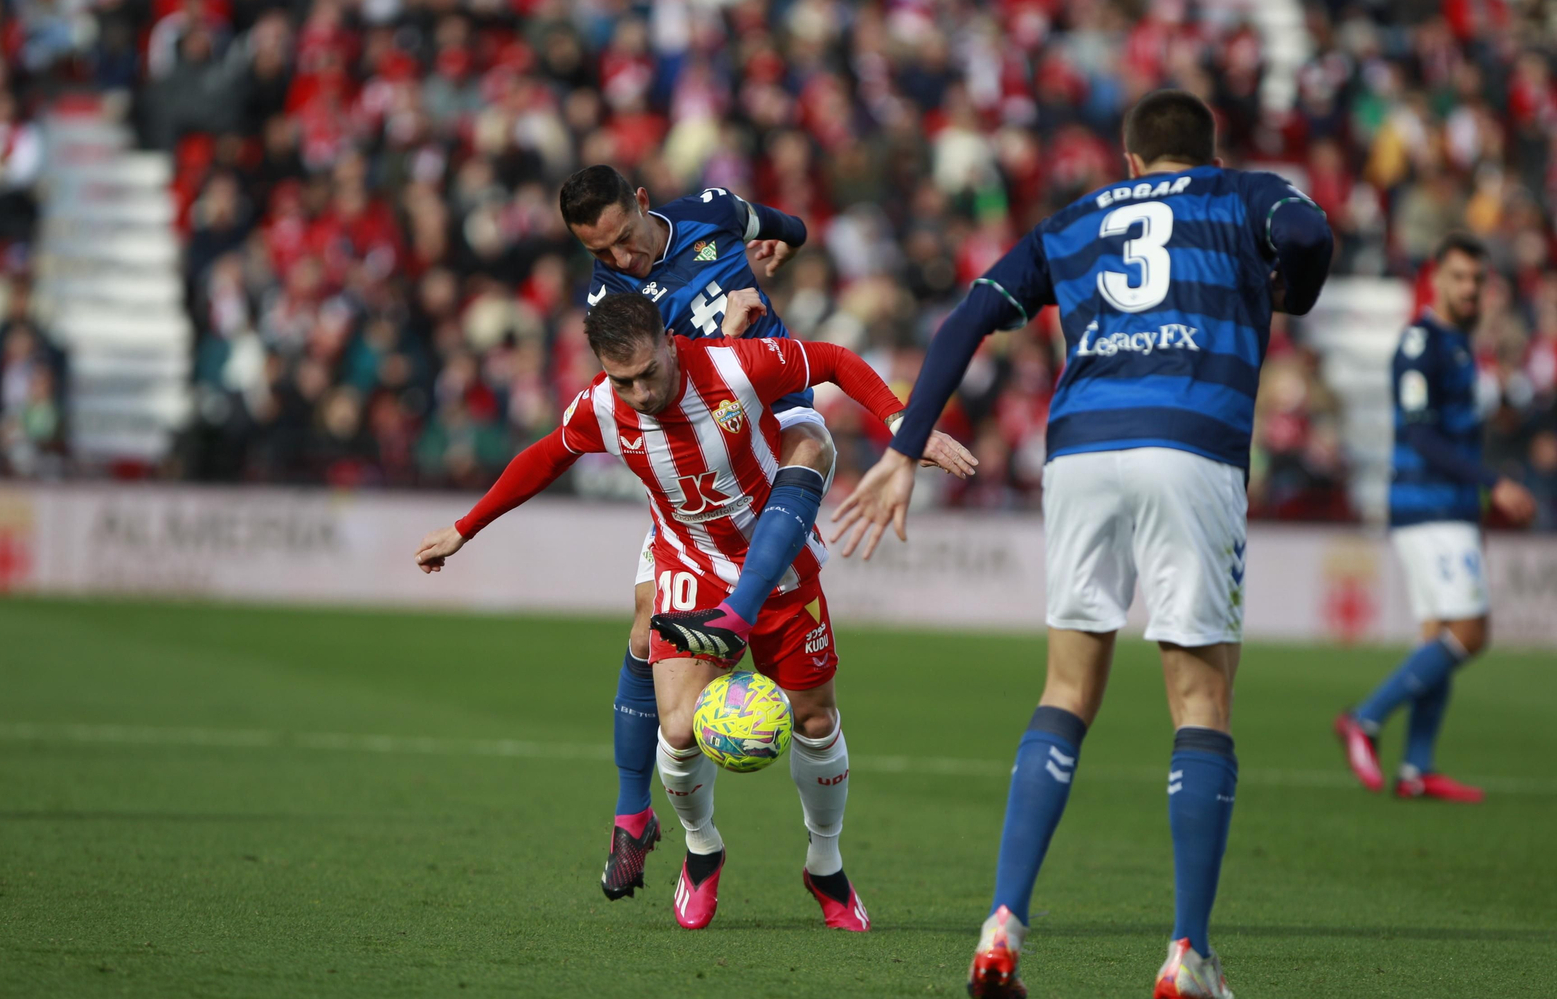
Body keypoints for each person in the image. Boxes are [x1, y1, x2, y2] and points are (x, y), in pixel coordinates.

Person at [830, 90, 1334, 999]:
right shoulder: (1243, 194)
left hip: (1083, 453)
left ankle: (1002, 926)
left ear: (1133, 161)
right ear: (1204, 154)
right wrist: (1290, 292)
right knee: (1200, 698)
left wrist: (904, 448)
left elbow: (964, 321)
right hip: (1191, 443)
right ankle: (1188, 953)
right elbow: (1305, 232)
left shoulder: (1076, 219)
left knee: (1066, 688)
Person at [412, 292, 971, 931]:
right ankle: (702, 850)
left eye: (649, 372)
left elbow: (837, 361)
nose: (641, 392)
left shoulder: (734, 368)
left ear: (671, 344)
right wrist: (466, 527)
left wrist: (903, 425)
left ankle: (825, 863)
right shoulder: (601, 406)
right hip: (692, 570)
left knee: (816, 722)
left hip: (779, 563)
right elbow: (544, 457)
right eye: (624, 380)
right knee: (677, 733)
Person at [557, 164, 976, 901]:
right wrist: (720, 340)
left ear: (644, 206)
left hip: (777, 415)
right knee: (642, 625)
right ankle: (634, 815)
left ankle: (740, 626)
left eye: (625, 239)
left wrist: (770, 253)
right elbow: (656, 376)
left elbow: (793, 229)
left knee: (809, 445)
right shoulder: (610, 296)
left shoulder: (713, 210)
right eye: (601, 251)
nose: (620, 260)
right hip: (704, 450)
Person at [1334, 234, 1537, 801]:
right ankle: (1365, 719)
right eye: (1459, 277)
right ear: (1437, 279)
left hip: (1449, 509)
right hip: (1426, 506)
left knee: (1440, 637)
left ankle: (1416, 769)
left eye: (1477, 280)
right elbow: (1419, 433)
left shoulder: (1459, 346)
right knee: (1471, 633)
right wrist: (1493, 485)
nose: (1469, 289)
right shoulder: (1421, 343)